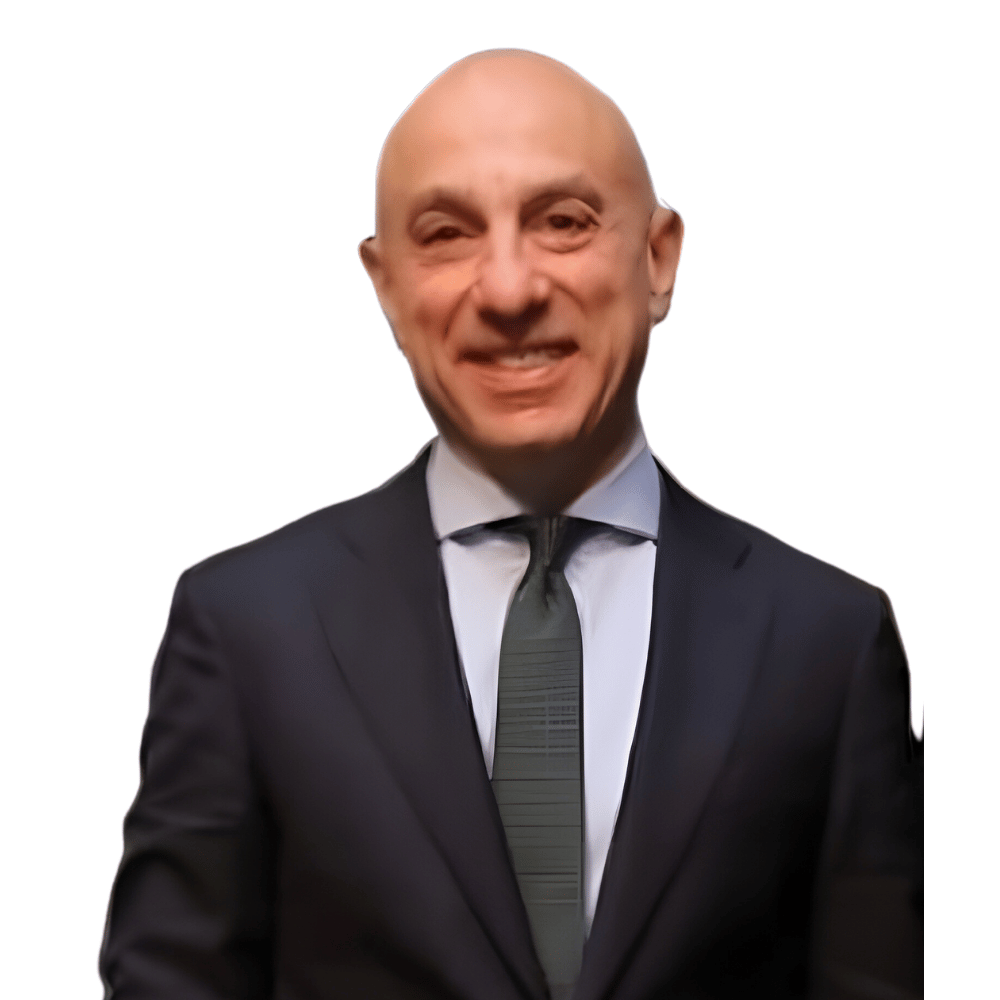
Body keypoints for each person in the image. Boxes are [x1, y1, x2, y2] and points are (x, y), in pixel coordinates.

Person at [99, 50, 922, 1000]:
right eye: (446, 235)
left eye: (562, 222)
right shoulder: (247, 630)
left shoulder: (829, 642)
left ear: (658, 259)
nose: (507, 290)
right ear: (386, 287)